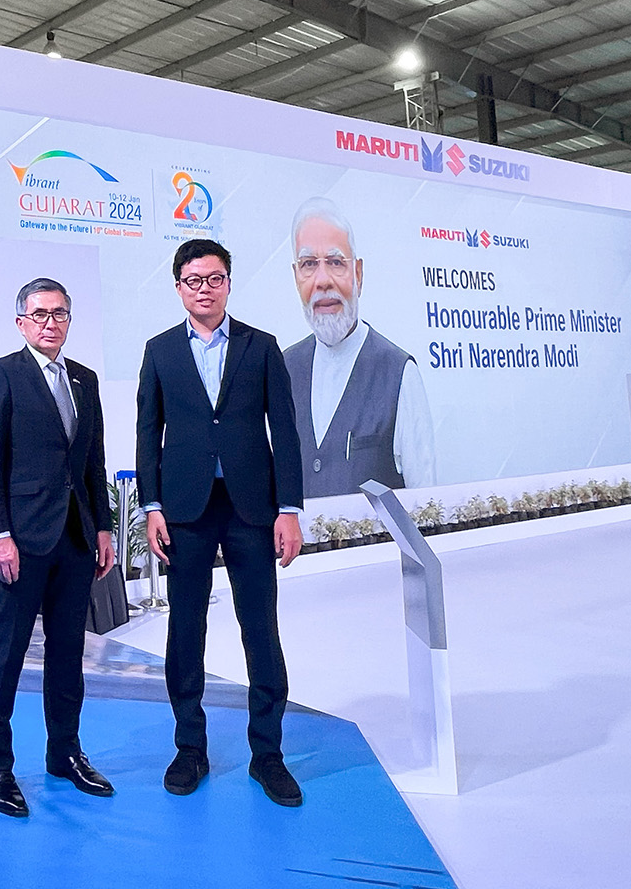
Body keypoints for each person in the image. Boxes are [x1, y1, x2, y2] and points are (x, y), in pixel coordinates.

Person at [135, 240, 306, 807]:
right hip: (184, 510)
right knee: (185, 633)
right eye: (192, 279)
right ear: (179, 287)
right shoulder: (159, 352)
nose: (203, 288)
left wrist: (289, 511)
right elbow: (147, 434)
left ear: (229, 282)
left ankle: (269, 757)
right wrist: (151, 506)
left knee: (260, 629)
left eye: (213, 278)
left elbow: (284, 432)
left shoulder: (262, 348)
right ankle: (190, 750)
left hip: (251, 509)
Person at [0, 278, 117, 817]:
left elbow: (93, 464)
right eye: (39, 314)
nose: (50, 322)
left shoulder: (85, 379)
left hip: (77, 538)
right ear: (21, 322)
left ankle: (65, 754)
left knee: (67, 656)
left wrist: (103, 528)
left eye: (59, 314)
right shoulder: (2, 373)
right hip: (21, 541)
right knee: (5, 654)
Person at [284, 197, 435, 497]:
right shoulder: (282, 369)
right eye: (309, 265)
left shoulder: (398, 373)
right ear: (296, 276)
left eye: (336, 262)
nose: (322, 280)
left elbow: (425, 501)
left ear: (359, 274)